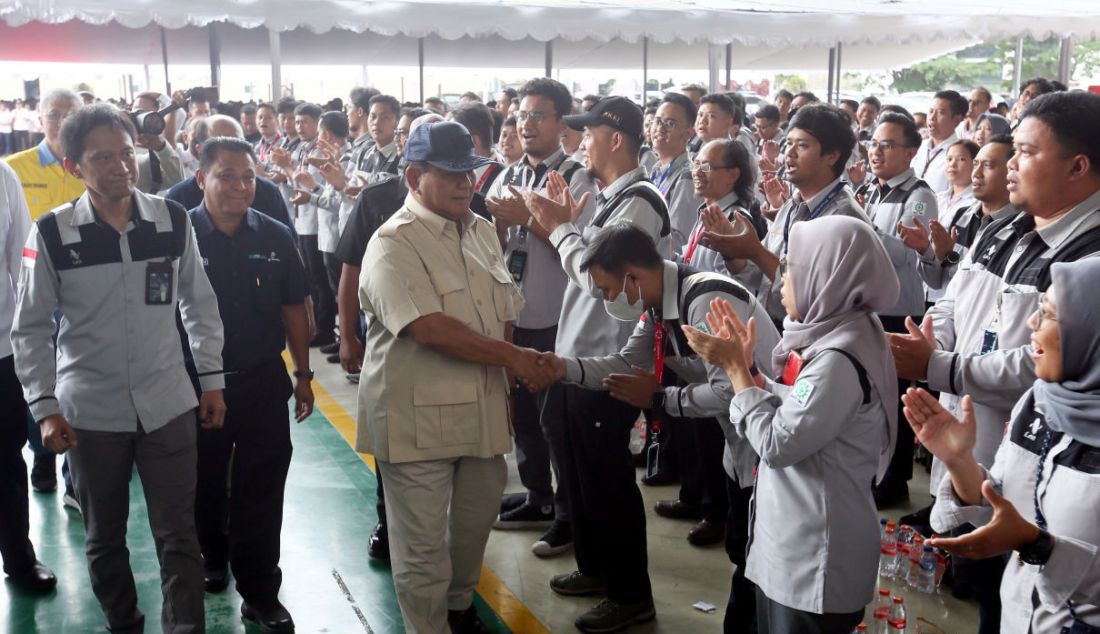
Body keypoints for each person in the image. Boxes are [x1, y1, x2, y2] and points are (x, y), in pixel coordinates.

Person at [11, 103, 226, 634]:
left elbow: (198, 303)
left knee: (179, 534)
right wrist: (43, 406)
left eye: (126, 153)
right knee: (105, 537)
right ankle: (123, 624)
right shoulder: (52, 235)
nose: (120, 167)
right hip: (90, 413)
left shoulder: (172, 221)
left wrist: (212, 380)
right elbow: (31, 326)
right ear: (73, 167)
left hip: (168, 403)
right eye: (102, 157)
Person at [890, 91, 1100, 633]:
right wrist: (939, 351)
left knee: (1038, 576)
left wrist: (942, 366)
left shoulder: (1088, 263)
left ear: (1078, 166)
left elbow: (1043, 362)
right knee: (999, 590)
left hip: (1043, 456)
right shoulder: (1009, 224)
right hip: (979, 435)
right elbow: (956, 298)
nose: (1008, 167)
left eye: (1025, 153)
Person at [542, 223, 780, 632]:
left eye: (608, 287)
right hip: (741, 447)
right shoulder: (659, 306)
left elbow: (731, 390)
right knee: (746, 551)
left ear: (633, 275)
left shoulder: (704, 300)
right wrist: (562, 368)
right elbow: (625, 363)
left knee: (756, 558)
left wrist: (661, 400)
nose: (609, 298)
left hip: (770, 445)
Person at [357, 120, 546, 634]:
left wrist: (506, 379)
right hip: (416, 415)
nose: (467, 183)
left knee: (472, 526)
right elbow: (429, 329)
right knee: (420, 548)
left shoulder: (482, 230)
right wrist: (513, 357)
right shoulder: (393, 242)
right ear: (415, 177)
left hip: (482, 407)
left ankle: (460, 609)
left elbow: (500, 306)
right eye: (452, 174)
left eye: (471, 172)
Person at [686, 215, 899, 634]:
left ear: (828, 276)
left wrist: (736, 374)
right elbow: (805, 411)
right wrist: (755, 375)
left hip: (815, 557)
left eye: (791, 272)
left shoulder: (839, 358)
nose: (781, 284)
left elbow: (779, 443)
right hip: (797, 539)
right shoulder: (840, 331)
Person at [525, 96, 671, 634]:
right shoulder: (611, 198)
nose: (579, 141)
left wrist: (559, 229)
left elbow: (596, 279)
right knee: (581, 474)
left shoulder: (641, 201)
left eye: (588, 133)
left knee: (607, 480)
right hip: (578, 358)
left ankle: (630, 594)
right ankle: (595, 567)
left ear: (616, 139)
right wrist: (566, 225)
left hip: (607, 362)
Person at [907, 258, 1100, 633]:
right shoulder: (1040, 403)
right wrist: (959, 461)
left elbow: (1029, 536)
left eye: (1046, 314)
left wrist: (1039, 546)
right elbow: (1003, 501)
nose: (1031, 323)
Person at [187, 137, 313, 633]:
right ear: (201, 178)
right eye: (226, 176)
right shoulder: (181, 234)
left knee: (263, 488)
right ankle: (212, 557)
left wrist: (303, 375)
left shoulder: (276, 235)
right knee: (204, 482)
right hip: (195, 387)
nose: (240, 187)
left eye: (248, 177)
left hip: (262, 383)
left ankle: (260, 591)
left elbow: (294, 308)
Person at [483, 77, 596, 557]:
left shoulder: (576, 177)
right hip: (517, 309)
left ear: (562, 123)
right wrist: (502, 223)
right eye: (522, 115)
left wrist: (529, 220)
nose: (527, 125)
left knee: (556, 422)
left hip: (558, 313)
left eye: (538, 116)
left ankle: (569, 516)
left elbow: (582, 252)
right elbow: (498, 246)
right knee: (521, 413)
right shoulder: (511, 174)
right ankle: (537, 496)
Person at [334, 110, 437, 563]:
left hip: (443, 337)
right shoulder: (378, 198)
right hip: (386, 337)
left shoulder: (465, 202)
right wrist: (347, 336)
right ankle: (387, 521)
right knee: (391, 436)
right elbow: (350, 269)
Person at [702, 104, 867, 326]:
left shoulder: (844, 218)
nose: (789, 152)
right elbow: (758, 275)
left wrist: (755, 251)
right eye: (788, 143)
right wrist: (733, 251)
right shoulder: (791, 206)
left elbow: (813, 293)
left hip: (814, 336)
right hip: (772, 326)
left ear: (831, 156)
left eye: (802, 145)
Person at [858, 111, 939, 506]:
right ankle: (874, 472)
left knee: (896, 401)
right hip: (872, 305)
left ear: (911, 152)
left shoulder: (919, 197)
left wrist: (862, 229)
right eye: (874, 143)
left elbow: (910, 252)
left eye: (887, 145)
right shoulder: (874, 191)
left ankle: (894, 481)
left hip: (899, 310)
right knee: (873, 399)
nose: (877, 151)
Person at [0, 158, 57, 593]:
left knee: (4, 458)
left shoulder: (3, 176)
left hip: (1, 345)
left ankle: (18, 558)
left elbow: (22, 257)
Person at [912, 135, 1018, 298]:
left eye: (988, 165)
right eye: (976, 164)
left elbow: (979, 290)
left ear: (1012, 172)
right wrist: (925, 251)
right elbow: (936, 282)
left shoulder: (1020, 227)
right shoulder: (962, 216)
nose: (976, 173)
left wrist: (950, 257)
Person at [164, 114, 296, 236]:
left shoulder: (267, 192)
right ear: (200, 150)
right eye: (221, 144)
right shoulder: (179, 197)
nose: (240, 187)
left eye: (238, 142)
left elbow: (290, 248)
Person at [4, 89, 84, 220]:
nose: (64, 123)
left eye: (72, 115)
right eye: (54, 115)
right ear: (41, 121)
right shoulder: (12, 169)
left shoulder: (95, 166)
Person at [651, 92, 702, 254]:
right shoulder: (656, 170)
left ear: (688, 133)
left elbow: (679, 242)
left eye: (670, 123)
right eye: (657, 121)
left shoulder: (687, 176)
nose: (660, 128)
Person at [130, 91, 186, 195]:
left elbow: (177, 178)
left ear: (158, 115)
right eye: (136, 109)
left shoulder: (160, 135)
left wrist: (162, 97)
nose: (139, 115)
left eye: (145, 112)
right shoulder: (123, 135)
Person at [912, 90, 966, 196]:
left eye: (940, 112)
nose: (932, 118)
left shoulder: (961, 154)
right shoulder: (920, 146)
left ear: (957, 119)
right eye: (931, 111)